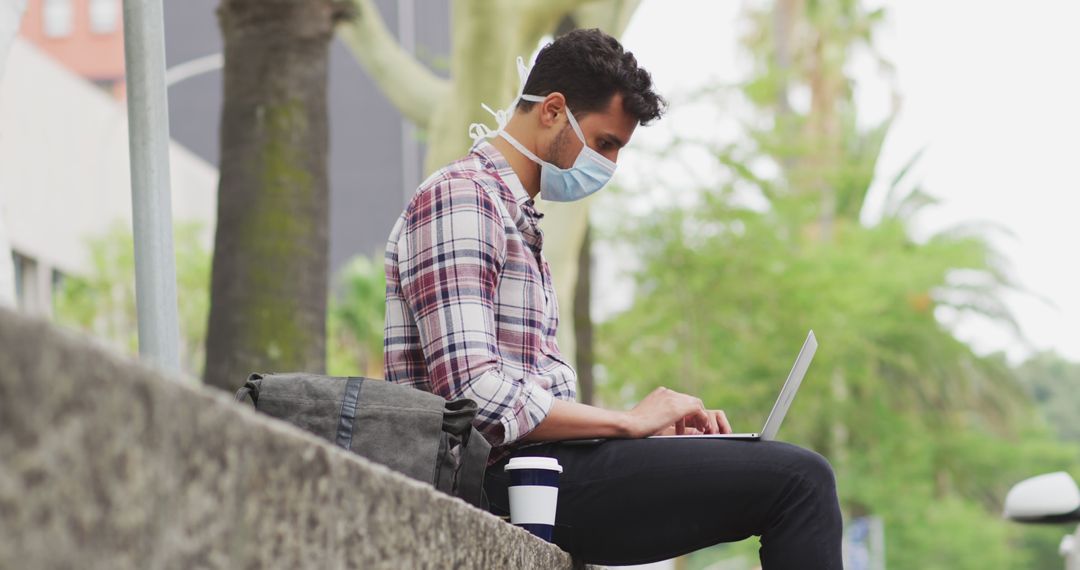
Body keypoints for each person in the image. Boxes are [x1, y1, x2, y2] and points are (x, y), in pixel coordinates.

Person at [383, 28, 843, 569]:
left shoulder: (516, 217)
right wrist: (626, 423)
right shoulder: (460, 197)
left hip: (549, 473)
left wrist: (645, 436)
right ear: (552, 110)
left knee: (780, 471)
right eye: (605, 143)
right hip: (501, 482)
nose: (610, 165)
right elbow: (474, 395)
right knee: (800, 481)